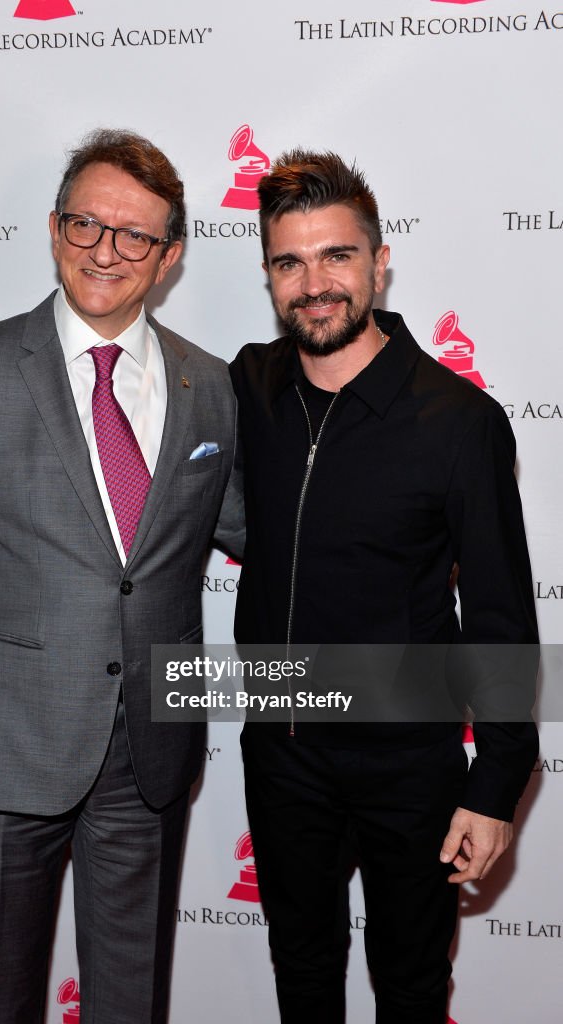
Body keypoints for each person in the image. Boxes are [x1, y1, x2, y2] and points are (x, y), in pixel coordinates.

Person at [0, 128, 242, 1024]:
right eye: (86, 224)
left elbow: (254, 532)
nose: (104, 251)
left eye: (133, 236)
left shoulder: (213, 385)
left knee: (131, 997)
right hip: (5, 746)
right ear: (53, 230)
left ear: (168, 257)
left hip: (151, 748)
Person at [230, 150, 538, 1023]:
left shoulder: (458, 421)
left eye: (336, 256)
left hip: (410, 764)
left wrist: (495, 780)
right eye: (289, 262)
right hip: (282, 752)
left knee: (409, 986)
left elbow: (499, 616)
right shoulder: (247, 386)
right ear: (267, 274)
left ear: (378, 260)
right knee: (301, 973)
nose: (314, 283)